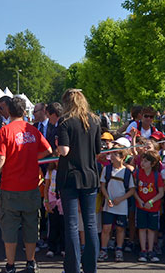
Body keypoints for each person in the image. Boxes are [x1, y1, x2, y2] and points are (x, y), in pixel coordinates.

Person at [0, 96, 52, 273]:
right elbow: (48, 150)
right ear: (24, 111)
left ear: (8, 110)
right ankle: (31, 262)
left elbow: (0, 158)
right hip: (31, 187)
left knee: (9, 226)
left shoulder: (5, 131)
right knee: (31, 225)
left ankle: (10, 265)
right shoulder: (32, 130)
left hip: (10, 187)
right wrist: (32, 159)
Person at [57, 89, 101, 273]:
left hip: (70, 176)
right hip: (90, 175)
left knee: (72, 225)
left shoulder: (65, 121)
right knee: (90, 223)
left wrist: (57, 144)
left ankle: (73, 268)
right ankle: (91, 267)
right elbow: (98, 150)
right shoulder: (95, 120)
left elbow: (64, 151)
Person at [99, 142, 135, 262]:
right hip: (109, 205)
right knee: (106, 228)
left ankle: (119, 249)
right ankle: (103, 250)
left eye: (116, 154)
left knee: (120, 228)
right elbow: (103, 185)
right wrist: (107, 198)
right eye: (112, 154)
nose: (112, 157)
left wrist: (121, 199)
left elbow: (132, 190)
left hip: (122, 205)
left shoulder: (127, 172)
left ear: (122, 157)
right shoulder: (106, 169)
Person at [134, 150, 164, 263]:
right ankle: (143, 250)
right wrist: (140, 200)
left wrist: (151, 201)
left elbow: (161, 192)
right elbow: (134, 190)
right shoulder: (137, 173)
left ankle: (151, 250)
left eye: (146, 161)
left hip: (153, 207)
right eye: (142, 160)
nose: (142, 163)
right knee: (142, 228)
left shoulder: (157, 176)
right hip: (140, 206)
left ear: (152, 163)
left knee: (151, 229)